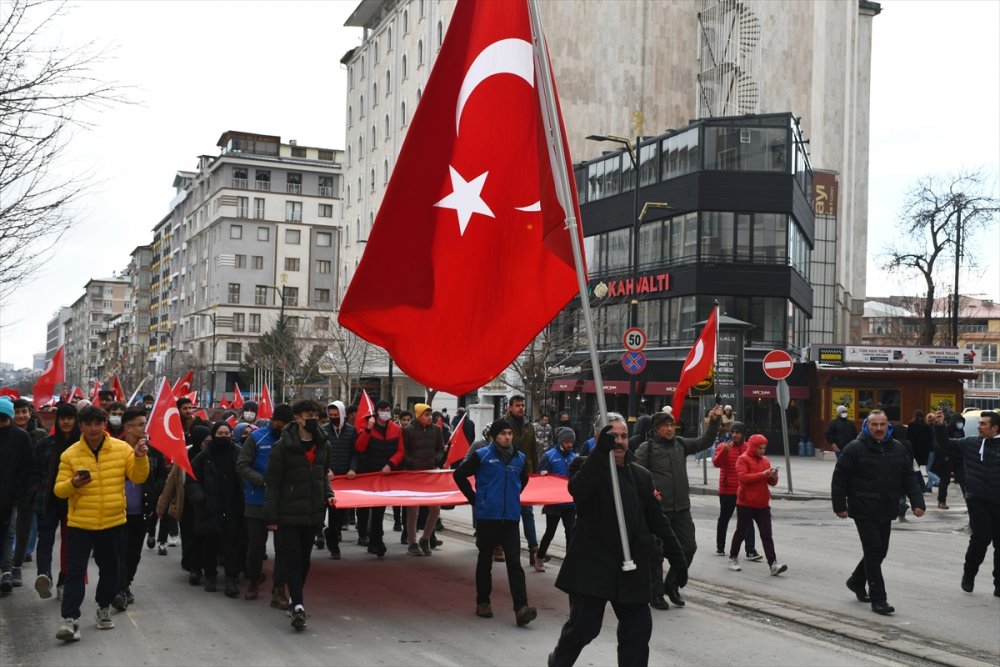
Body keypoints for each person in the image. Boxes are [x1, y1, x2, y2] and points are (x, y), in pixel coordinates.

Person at [549, 417, 688, 667]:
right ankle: (559, 661)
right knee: (584, 627)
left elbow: (658, 521)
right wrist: (600, 453)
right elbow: (577, 492)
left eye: (624, 436)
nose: (620, 442)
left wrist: (678, 559)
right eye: (613, 437)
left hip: (631, 565)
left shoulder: (641, 476)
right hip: (593, 564)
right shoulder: (583, 466)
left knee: (637, 631)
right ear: (599, 438)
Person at [52, 405, 149, 642]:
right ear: (81, 426)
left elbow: (138, 476)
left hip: (112, 521)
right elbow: (59, 490)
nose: (94, 429)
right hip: (80, 523)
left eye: (98, 424)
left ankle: (103, 606)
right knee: (75, 572)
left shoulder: (122, 448)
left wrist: (140, 457)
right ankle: (70, 620)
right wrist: (73, 484)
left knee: (111, 570)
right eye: (88, 424)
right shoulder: (70, 454)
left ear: (104, 424)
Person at [831, 409, 925, 615]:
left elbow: (909, 477)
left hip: (887, 507)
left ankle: (856, 581)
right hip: (863, 508)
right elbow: (840, 478)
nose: (879, 428)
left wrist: (918, 502)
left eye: (883, 424)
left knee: (880, 551)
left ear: (888, 426)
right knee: (874, 551)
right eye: (874, 425)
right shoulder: (854, 448)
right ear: (867, 426)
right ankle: (878, 599)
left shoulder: (898, 448)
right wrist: (839, 506)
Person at [635, 404, 722, 609]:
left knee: (688, 547)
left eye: (672, 425)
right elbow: (636, 477)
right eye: (665, 426)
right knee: (656, 553)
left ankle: (672, 585)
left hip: (681, 509)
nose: (670, 429)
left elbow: (705, 441)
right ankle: (655, 594)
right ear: (656, 429)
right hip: (657, 512)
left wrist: (715, 421)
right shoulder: (645, 449)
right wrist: (649, 493)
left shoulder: (680, 445)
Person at [453, 419, 537, 627]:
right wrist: (475, 499)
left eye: (509, 433)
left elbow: (523, 479)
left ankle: (521, 608)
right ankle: (483, 602)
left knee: (515, 563)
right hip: (488, 517)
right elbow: (459, 475)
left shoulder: (519, 458)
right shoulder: (482, 456)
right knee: (485, 560)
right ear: (493, 436)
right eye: (503, 434)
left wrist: (513, 496)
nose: (507, 437)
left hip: (510, 518)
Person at [263, 399, 333, 630]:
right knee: (292, 559)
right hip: (288, 513)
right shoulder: (282, 447)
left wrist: (329, 493)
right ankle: (299, 606)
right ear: (297, 418)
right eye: (307, 414)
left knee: (304, 560)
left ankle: (295, 596)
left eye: (315, 414)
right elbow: (273, 484)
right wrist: (271, 516)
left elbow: (323, 474)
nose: (312, 418)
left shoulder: (323, 444)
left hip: (313, 514)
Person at [931, 410, 1000, 597]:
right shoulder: (970, 443)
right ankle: (969, 574)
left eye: (983, 424)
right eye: (979, 423)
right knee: (981, 538)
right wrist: (939, 427)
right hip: (977, 499)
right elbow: (945, 444)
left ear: (995, 428)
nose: (979, 426)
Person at [237, 403, 293, 603]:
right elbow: (242, 465)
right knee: (256, 547)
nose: (283, 427)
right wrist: (261, 480)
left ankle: (279, 588)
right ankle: (253, 581)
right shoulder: (256, 437)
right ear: (273, 420)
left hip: (283, 502)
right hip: (257, 500)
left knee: (283, 547)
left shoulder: (294, 438)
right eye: (280, 423)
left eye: (288, 424)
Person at [185, 421, 244, 598]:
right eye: (220, 433)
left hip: (233, 507)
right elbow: (192, 481)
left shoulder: (238, 453)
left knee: (232, 545)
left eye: (227, 433)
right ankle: (210, 575)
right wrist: (201, 499)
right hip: (210, 508)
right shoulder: (203, 456)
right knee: (210, 544)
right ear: (214, 434)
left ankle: (231, 579)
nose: (224, 437)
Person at [112, 407, 161, 610]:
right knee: (120, 552)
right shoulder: (114, 450)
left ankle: (126, 584)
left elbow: (161, 476)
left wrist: (155, 491)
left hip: (141, 511)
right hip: (117, 511)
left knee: (133, 553)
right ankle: (120, 589)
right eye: (141, 424)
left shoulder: (153, 451)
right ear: (128, 427)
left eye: (145, 423)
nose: (144, 428)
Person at [31, 402, 79, 599]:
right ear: (57, 420)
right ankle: (44, 575)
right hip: (48, 501)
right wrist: (34, 494)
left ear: (76, 421)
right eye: (62, 418)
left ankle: (63, 580)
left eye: (70, 418)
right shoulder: (45, 444)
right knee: (45, 541)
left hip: (74, 501)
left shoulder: (82, 445)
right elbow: (35, 473)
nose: (66, 422)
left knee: (71, 545)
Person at [726, 434, 786, 575]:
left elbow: (771, 482)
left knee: (767, 534)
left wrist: (773, 476)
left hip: (762, 503)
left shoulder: (765, 461)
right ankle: (732, 557)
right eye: (759, 448)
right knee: (741, 532)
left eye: (764, 448)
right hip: (746, 502)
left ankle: (773, 564)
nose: (762, 451)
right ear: (752, 447)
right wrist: (763, 474)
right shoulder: (742, 459)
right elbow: (744, 478)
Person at [354, 399, 405, 558]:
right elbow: (360, 447)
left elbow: (401, 451)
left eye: (387, 409)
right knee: (364, 508)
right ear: (376, 412)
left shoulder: (396, 430)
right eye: (382, 409)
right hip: (368, 474)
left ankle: (377, 541)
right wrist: (368, 429)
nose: (385, 412)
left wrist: (390, 464)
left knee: (379, 510)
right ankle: (364, 534)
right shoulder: (367, 427)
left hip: (384, 475)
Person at [0, 397, 33, 594]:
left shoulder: (21, 437)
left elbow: (25, 466)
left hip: (11, 496)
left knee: (8, 533)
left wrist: (18, 492)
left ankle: (6, 571)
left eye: (4, 419)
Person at [403, 403, 444, 556]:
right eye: (426, 415)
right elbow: (404, 450)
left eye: (430, 414)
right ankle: (412, 543)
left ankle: (425, 539)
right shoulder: (409, 430)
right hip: (414, 474)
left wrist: (436, 459)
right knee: (413, 510)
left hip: (430, 473)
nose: (429, 417)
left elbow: (441, 448)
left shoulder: (437, 430)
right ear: (419, 416)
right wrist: (411, 462)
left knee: (435, 509)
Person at [712, 422, 758, 560]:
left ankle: (750, 550)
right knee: (724, 518)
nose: (734, 435)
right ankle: (720, 547)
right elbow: (716, 463)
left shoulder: (748, 448)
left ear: (743, 434)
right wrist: (725, 451)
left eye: (737, 432)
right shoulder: (723, 446)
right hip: (727, 491)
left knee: (747, 520)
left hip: (743, 491)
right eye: (733, 432)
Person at [534, 427, 577, 572]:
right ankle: (539, 556)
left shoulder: (574, 457)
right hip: (554, 503)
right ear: (560, 441)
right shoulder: (549, 456)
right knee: (550, 532)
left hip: (570, 502)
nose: (569, 445)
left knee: (570, 532)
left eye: (571, 442)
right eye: (566, 442)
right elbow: (539, 476)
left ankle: (570, 562)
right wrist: (543, 475)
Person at [504, 395, 539, 566]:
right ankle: (503, 546)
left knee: (527, 512)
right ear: (510, 407)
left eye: (523, 405)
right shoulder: (503, 425)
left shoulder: (529, 426)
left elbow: (534, 451)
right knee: (508, 513)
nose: (521, 408)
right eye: (517, 405)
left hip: (526, 474)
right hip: (507, 474)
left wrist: (535, 473)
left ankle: (533, 549)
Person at [322, 400, 357, 560]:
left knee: (341, 516)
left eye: (336, 415)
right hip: (327, 479)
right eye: (331, 415)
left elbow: (356, 453)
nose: (333, 417)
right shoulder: (322, 431)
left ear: (342, 414)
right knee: (328, 512)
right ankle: (330, 541)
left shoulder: (351, 431)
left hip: (345, 479)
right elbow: (319, 453)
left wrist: (352, 468)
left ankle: (332, 537)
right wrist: (326, 469)